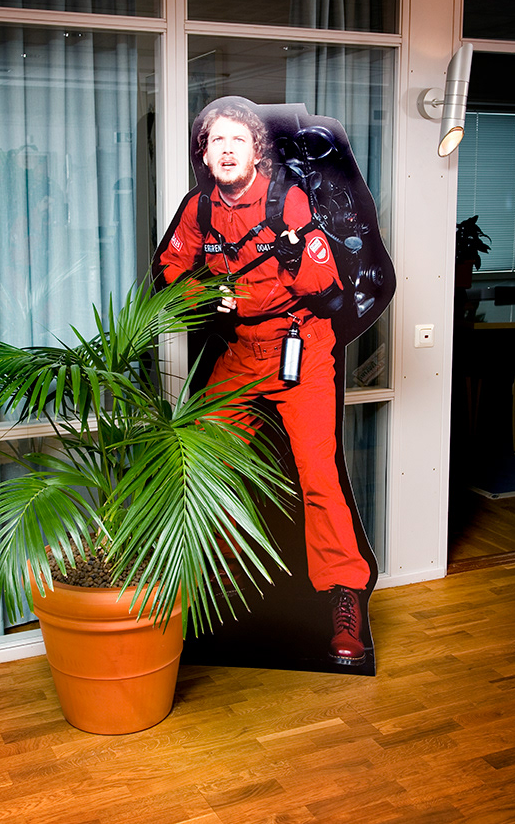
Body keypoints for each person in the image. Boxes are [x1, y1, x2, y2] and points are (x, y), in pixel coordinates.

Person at [155, 101, 372, 665]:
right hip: (240, 352)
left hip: (301, 348)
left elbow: (329, 288)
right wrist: (206, 295)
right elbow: (169, 271)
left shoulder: (287, 200)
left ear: (256, 151)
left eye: (238, 140)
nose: (227, 150)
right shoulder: (199, 208)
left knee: (318, 474)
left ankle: (344, 593)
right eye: (216, 141)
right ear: (205, 155)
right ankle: (217, 575)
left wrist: (294, 256)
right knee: (203, 462)